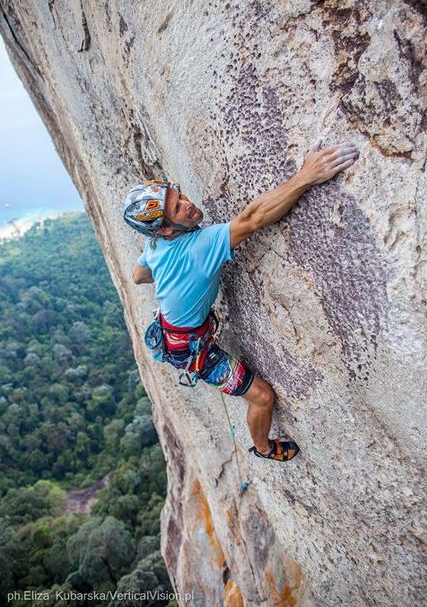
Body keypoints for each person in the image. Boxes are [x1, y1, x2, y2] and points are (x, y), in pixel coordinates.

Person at [124, 138, 358, 462]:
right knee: (262, 397)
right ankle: (263, 448)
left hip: (173, 330)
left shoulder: (153, 246)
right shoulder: (199, 247)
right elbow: (253, 219)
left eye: (180, 196)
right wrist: (307, 175)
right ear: (164, 229)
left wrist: (169, 278)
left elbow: (138, 276)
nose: (188, 204)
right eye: (178, 208)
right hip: (193, 351)